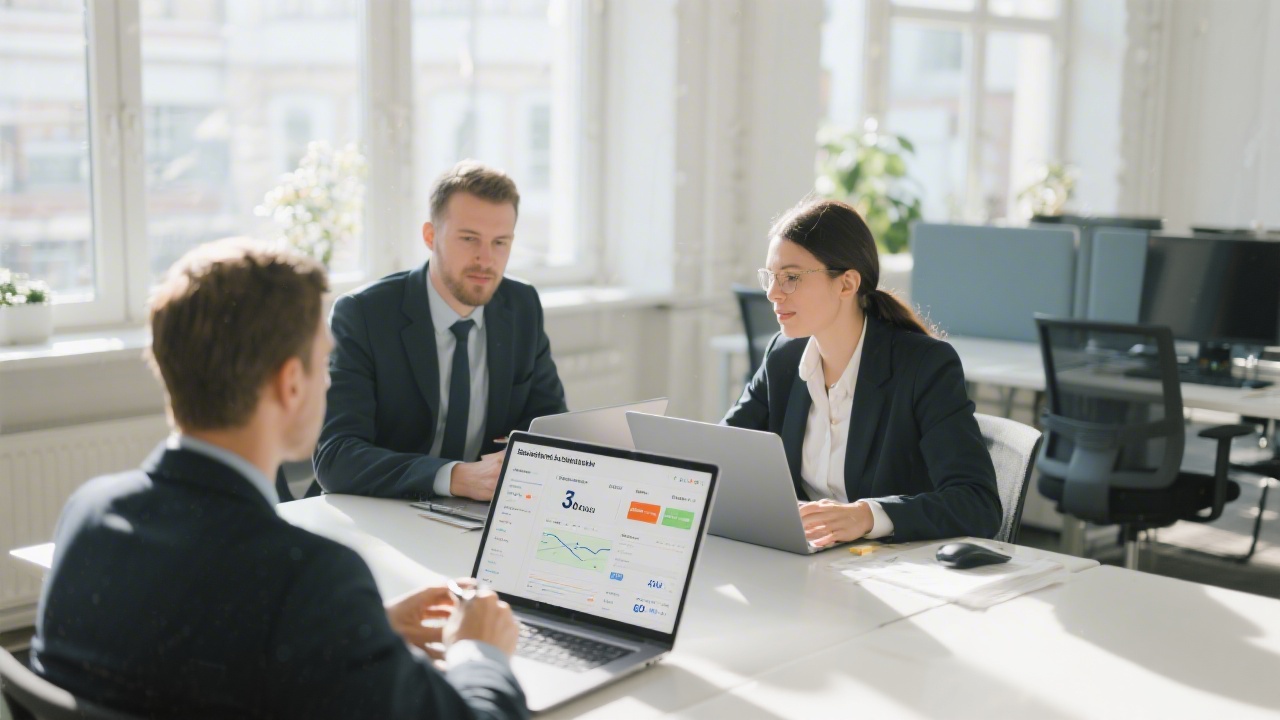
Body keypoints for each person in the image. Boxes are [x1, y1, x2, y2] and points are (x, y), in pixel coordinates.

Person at [30, 239, 527, 719]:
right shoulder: (308, 577)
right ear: (291, 384)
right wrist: (478, 650)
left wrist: (361, 628)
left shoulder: (87, 513)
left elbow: (195, 649)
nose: (329, 380)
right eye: (324, 363)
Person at [723, 198, 1001, 544]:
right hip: (808, 555)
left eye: (791, 277)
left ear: (846, 284)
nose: (772, 293)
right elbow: (721, 453)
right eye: (770, 277)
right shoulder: (783, 357)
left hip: (891, 563)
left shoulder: (925, 366)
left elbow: (978, 504)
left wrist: (868, 516)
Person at [316, 161, 567, 501]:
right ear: (430, 236)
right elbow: (336, 457)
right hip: (385, 508)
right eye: (469, 239)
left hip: (482, 510)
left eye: (500, 242)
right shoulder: (363, 314)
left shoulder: (522, 305)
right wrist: (455, 477)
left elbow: (550, 428)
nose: (486, 259)